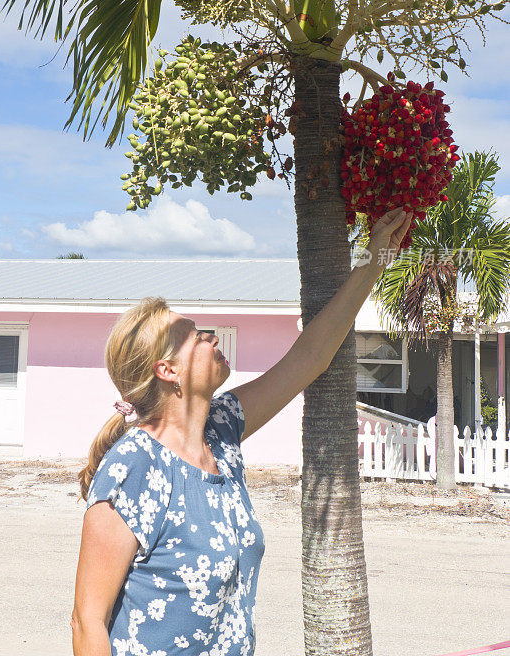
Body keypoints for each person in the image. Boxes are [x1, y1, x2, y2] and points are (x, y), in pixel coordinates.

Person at [71, 206, 413, 656]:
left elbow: (311, 357)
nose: (211, 336)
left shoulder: (222, 429)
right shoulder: (133, 467)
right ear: (167, 369)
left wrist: (375, 259)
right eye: (195, 335)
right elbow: (86, 621)